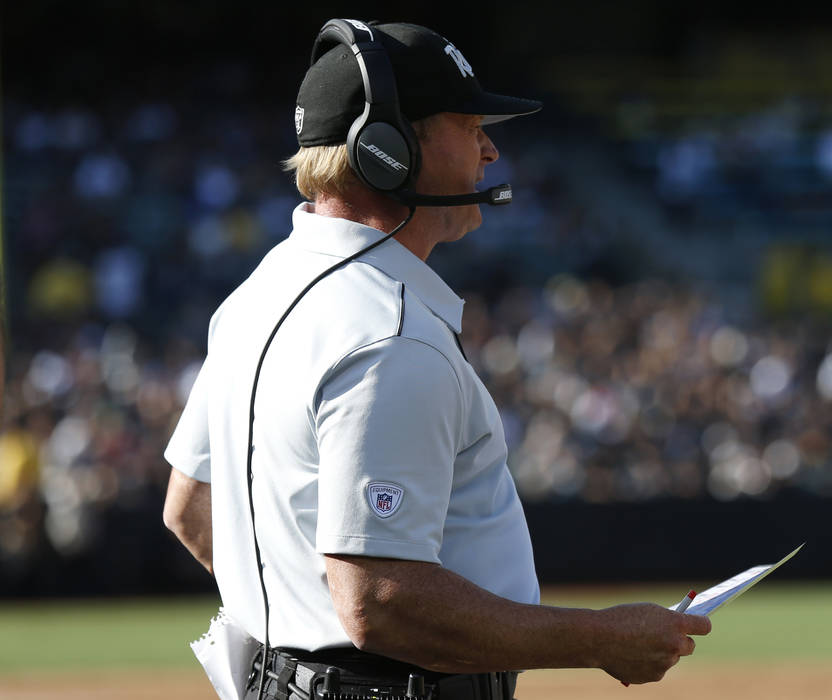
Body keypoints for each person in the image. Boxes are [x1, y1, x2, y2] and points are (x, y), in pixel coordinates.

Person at [162, 19, 710, 700]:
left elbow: (188, 509)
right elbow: (380, 602)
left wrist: (295, 641)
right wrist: (598, 638)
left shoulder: (259, 291)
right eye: (468, 125)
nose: (489, 151)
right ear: (385, 150)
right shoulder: (387, 335)